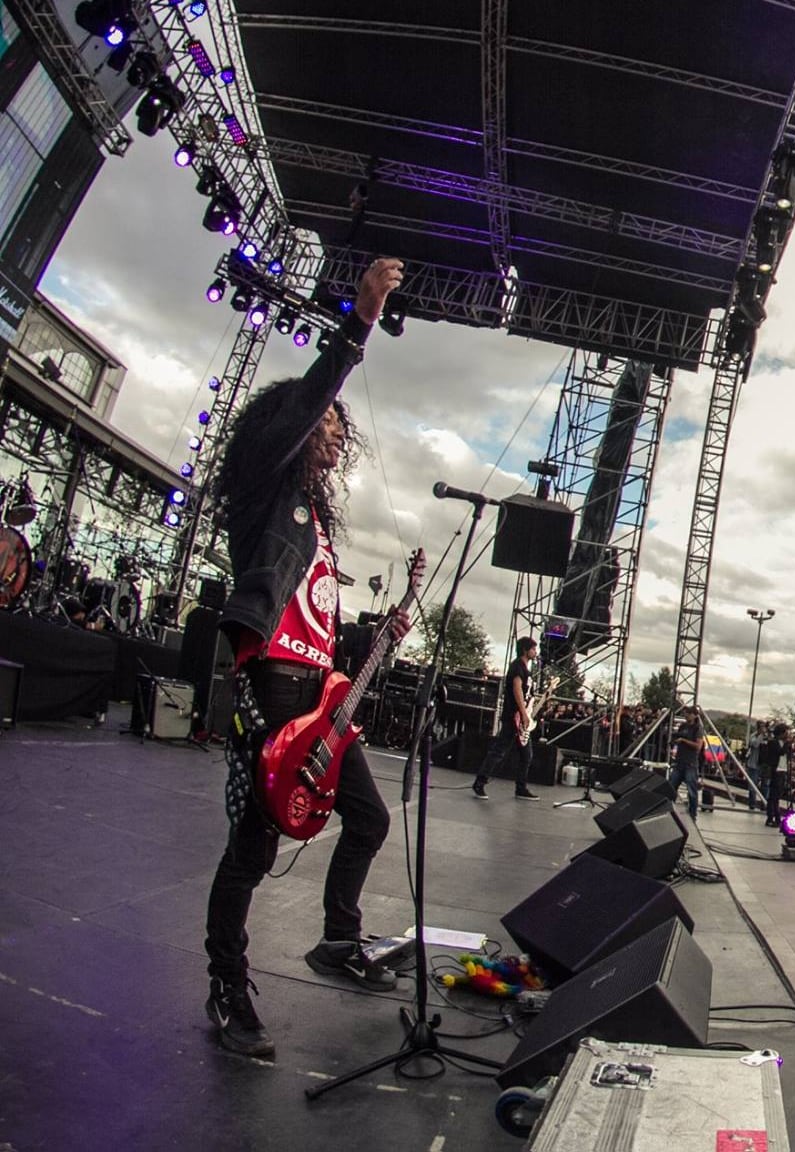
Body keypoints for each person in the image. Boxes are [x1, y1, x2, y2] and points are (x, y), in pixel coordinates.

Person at [201, 258, 409, 1059]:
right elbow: (311, 397)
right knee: (252, 848)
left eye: (333, 423)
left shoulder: (316, 528)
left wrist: (371, 641)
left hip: (316, 693)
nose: (332, 428)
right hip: (270, 691)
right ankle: (227, 984)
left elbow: (319, 628)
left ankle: (337, 937)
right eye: (321, 419)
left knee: (370, 817)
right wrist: (357, 324)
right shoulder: (264, 486)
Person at [472, 636, 538, 800]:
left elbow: (526, 694)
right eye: (533, 649)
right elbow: (517, 690)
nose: (535, 652)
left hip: (521, 718)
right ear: (525, 650)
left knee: (526, 755)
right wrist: (523, 713)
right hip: (512, 716)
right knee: (499, 751)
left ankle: (521, 787)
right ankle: (480, 782)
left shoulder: (526, 670)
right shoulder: (517, 667)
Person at [670, 706, 704, 820]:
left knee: (691, 790)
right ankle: (669, 809)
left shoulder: (697, 728)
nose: (686, 715)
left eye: (689, 713)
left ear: (694, 715)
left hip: (690, 763)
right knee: (671, 786)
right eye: (685, 713)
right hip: (680, 761)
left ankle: (693, 813)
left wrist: (684, 741)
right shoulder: (683, 726)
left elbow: (698, 746)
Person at [759, 722, 791, 826]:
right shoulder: (773, 743)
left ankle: (777, 818)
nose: (788, 734)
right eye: (786, 732)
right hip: (775, 770)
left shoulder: (785, 744)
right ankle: (771, 817)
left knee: (778, 796)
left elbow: (788, 755)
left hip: (783, 770)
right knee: (773, 796)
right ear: (781, 733)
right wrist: (787, 743)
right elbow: (780, 752)